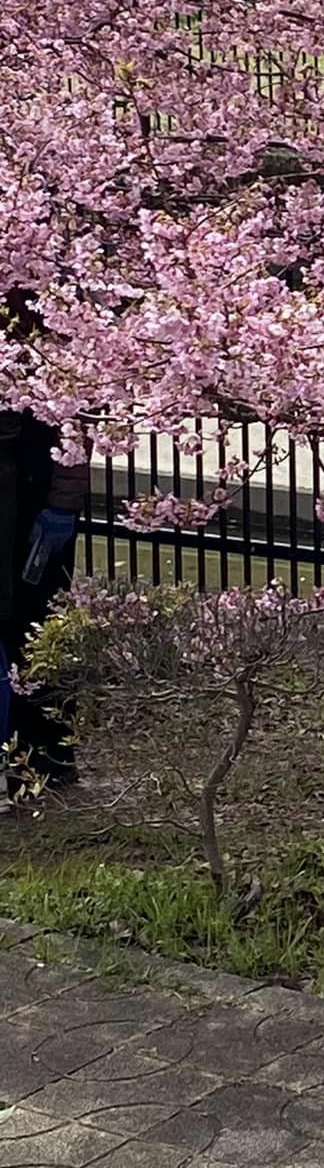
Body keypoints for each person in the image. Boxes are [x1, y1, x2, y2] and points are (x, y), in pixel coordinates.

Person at [0, 294, 86, 809]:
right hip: (21, 499)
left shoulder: (53, 338)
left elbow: (76, 433)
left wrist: (62, 505)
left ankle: (48, 760)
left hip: (33, 504)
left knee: (39, 631)